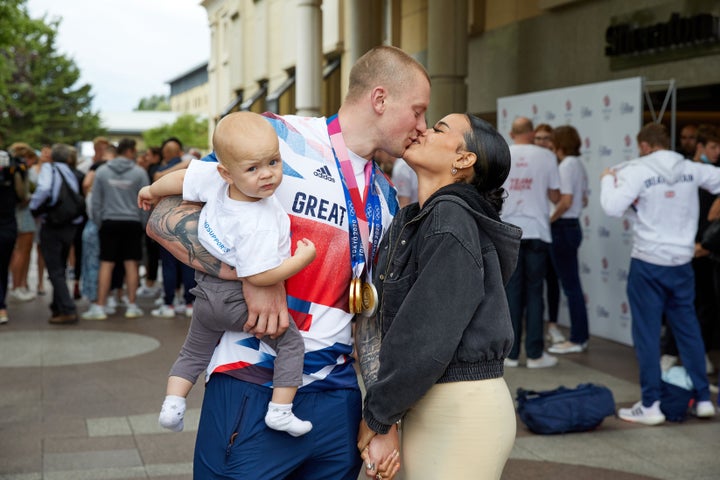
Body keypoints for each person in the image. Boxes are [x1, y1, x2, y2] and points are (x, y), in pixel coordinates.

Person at [145, 45, 429, 480]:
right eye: (418, 111)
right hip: (251, 382)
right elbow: (161, 215)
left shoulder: (386, 197)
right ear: (380, 99)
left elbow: (368, 318)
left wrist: (380, 417)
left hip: (337, 397)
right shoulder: (276, 139)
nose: (422, 127)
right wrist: (254, 276)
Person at [355, 113, 520, 480]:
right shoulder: (421, 217)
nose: (423, 130)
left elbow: (426, 332)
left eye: (439, 128)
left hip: (460, 408)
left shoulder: (450, 216)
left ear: (464, 159)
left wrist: (379, 414)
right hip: (431, 402)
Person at [138, 112, 317, 437]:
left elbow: (179, 180)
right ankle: (280, 410)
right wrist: (302, 258)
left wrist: (151, 189)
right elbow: (261, 278)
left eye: (274, 162)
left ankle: (173, 404)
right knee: (291, 345)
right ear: (228, 171)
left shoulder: (216, 178)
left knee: (193, 351)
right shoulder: (258, 220)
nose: (267, 176)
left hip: (205, 295)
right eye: (253, 168)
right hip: (241, 303)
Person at [600, 122, 719, 425]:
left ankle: (651, 404)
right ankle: (704, 399)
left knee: (648, 333)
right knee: (688, 330)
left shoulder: (636, 169)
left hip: (649, 262)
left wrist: (607, 180)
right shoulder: (691, 167)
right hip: (682, 262)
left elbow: (612, 207)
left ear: (644, 146)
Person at [501, 116, 561, 369]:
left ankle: (512, 354)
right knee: (536, 293)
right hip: (536, 230)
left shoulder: (502, 154)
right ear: (532, 132)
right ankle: (535, 354)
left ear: (511, 133)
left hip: (510, 230)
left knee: (512, 293)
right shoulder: (546, 156)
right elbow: (556, 195)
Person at [81, 139, 148, 320]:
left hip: (109, 222)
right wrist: (142, 223)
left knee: (106, 263)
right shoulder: (139, 173)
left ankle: (100, 307)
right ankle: (132, 305)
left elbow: (96, 202)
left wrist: (100, 221)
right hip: (132, 222)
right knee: (131, 263)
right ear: (131, 151)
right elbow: (146, 202)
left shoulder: (102, 171)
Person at [546, 125, 591, 354]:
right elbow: (583, 200)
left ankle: (577, 338)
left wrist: (550, 220)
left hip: (563, 228)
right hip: (573, 226)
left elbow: (566, 201)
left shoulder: (565, 166)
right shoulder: (578, 165)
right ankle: (580, 336)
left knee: (571, 286)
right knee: (573, 285)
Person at [28, 144, 84, 324]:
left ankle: (67, 309)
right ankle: (58, 306)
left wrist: (33, 207)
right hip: (70, 224)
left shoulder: (48, 169)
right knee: (60, 266)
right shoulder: (71, 171)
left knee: (54, 270)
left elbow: (44, 189)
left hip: (53, 223)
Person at [151, 137, 196, 318]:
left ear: (165, 153)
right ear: (179, 152)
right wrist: (187, 162)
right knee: (188, 264)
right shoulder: (190, 168)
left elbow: (156, 179)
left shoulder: (161, 170)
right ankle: (189, 303)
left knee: (169, 266)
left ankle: (169, 303)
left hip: (166, 223)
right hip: (188, 221)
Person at [533, 123, 565, 345]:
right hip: (536, 230)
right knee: (532, 284)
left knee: (553, 280)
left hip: (553, 227)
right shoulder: (531, 163)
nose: (542, 142)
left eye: (546, 138)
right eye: (538, 138)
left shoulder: (561, 165)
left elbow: (565, 199)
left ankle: (552, 325)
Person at [0, 148, 28, 324]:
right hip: (8, 226)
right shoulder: (14, 174)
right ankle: (1, 306)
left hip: (7, 226)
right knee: (3, 267)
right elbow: (23, 196)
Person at [8, 142, 38, 302]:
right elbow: (23, 195)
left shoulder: (8, 170)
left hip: (10, 214)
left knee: (15, 252)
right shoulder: (20, 171)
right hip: (22, 213)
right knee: (21, 251)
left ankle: (18, 284)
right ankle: (17, 286)